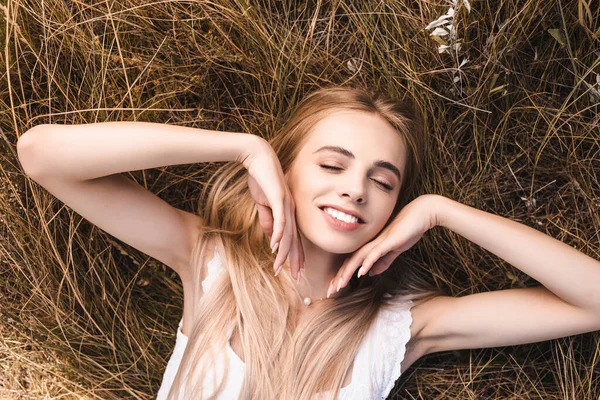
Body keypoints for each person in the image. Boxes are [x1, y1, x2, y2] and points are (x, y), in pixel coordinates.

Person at [16, 86, 600, 400]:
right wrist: (241, 148)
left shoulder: (402, 326)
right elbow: (41, 155)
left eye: (382, 180)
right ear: (286, 172)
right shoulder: (210, 259)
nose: (354, 191)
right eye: (331, 165)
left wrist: (441, 212)